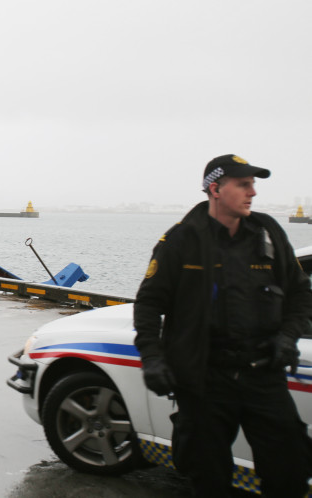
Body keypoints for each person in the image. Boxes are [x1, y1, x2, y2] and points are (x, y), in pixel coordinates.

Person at [133, 154, 312, 497]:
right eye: (243, 184)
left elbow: (300, 295)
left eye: (253, 185)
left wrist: (288, 337)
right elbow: (148, 304)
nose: (253, 192)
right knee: (208, 476)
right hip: (204, 381)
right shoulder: (181, 241)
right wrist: (152, 358)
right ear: (215, 189)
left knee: (290, 471)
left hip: (263, 374)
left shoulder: (268, 233)